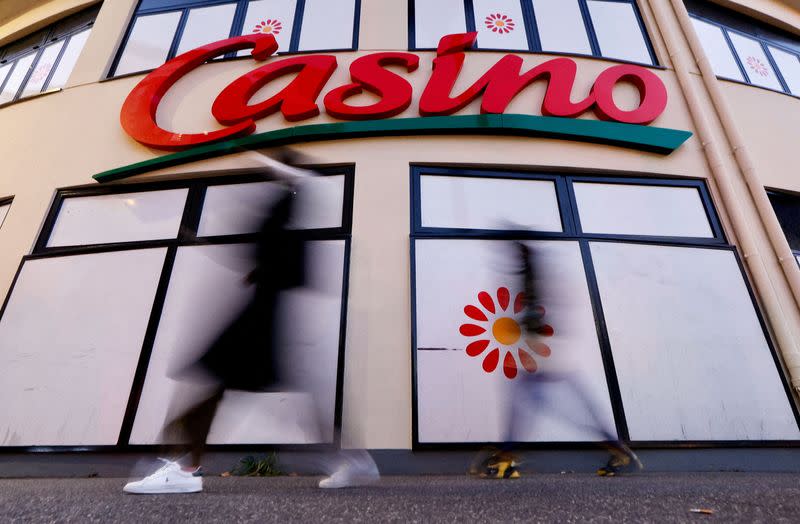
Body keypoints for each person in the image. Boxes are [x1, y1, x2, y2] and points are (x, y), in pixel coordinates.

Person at [123, 151, 379, 494]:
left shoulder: (286, 205)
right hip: (265, 314)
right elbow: (282, 263)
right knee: (223, 386)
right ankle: (350, 461)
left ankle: (182, 467)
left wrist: (229, 252)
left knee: (210, 384)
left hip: (258, 317)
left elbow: (269, 254)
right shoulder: (292, 211)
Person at [474, 240, 642, 478]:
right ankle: (507, 455)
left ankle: (507, 457)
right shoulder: (537, 275)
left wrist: (528, 339)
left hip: (548, 355)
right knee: (553, 406)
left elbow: (536, 313)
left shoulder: (532, 277)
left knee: (551, 407)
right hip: (551, 354)